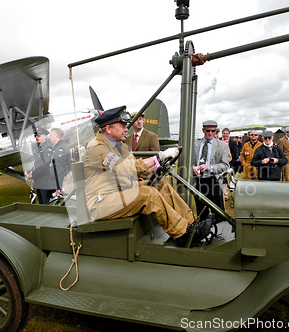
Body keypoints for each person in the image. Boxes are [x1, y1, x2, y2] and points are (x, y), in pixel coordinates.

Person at [84, 106, 212, 247]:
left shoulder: (119, 146)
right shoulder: (97, 147)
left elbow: (140, 168)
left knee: (161, 185)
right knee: (148, 194)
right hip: (102, 202)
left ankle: (191, 223)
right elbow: (125, 168)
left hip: (118, 193)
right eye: (123, 126)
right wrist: (159, 156)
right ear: (108, 128)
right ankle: (183, 234)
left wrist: (161, 163)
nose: (127, 129)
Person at [193, 120, 229, 223]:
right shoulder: (195, 145)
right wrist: (193, 168)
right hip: (198, 181)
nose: (210, 133)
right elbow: (187, 162)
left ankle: (220, 234)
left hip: (214, 181)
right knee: (201, 211)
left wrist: (210, 167)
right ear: (203, 130)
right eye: (208, 130)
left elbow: (225, 165)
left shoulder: (222, 146)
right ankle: (202, 233)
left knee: (218, 212)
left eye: (213, 131)